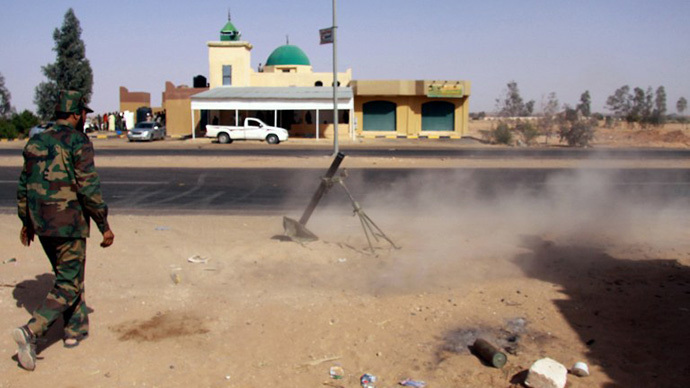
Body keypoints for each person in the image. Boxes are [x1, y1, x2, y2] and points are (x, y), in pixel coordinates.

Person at [13, 90, 115, 371]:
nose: (84, 118)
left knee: (68, 277)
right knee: (69, 283)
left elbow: (24, 185)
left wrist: (26, 221)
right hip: (68, 224)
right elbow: (88, 188)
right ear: (75, 114)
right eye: (83, 113)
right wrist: (103, 225)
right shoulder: (78, 141)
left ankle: (74, 331)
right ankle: (31, 332)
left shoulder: (35, 141)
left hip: (42, 223)